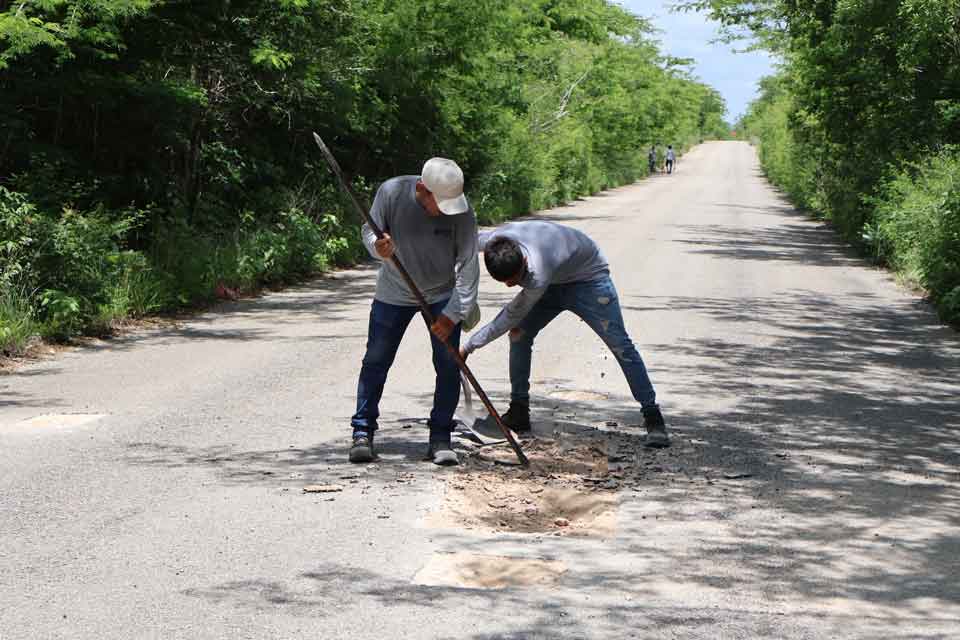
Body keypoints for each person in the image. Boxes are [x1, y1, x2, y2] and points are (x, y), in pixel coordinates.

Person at [460, 220, 669, 448]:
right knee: (519, 335)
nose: (512, 285)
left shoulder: (538, 271)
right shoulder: (495, 241)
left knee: (620, 345)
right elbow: (462, 244)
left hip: (588, 280)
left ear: (526, 261)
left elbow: (511, 315)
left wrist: (470, 345)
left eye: (517, 279)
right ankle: (519, 411)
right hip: (555, 279)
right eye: (506, 282)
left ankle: (653, 417)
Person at [349, 158, 480, 466]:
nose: (447, 211)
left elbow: (469, 265)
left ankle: (440, 437)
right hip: (394, 292)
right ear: (422, 190)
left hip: (442, 295)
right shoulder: (391, 192)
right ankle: (362, 432)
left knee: (448, 365)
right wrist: (376, 247)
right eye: (440, 203)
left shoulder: (462, 211)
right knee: (376, 360)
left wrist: (453, 313)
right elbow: (370, 230)